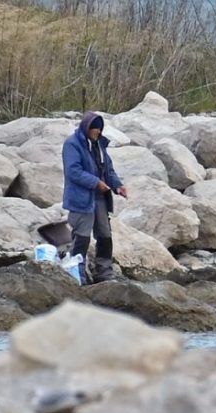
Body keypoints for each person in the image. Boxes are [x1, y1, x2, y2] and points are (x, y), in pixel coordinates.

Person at [62, 112, 127, 284]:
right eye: (95, 128)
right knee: (81, 237)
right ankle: (77, 274)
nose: (98, 131)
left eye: (100, 128)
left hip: (100, 200)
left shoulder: (99, 145)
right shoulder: (72, 144)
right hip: (81, 200)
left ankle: (104, 272)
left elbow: (108, 170)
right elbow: (73, 171)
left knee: (105, 235)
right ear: (87, 127)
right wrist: (96, 183)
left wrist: (117, 186)